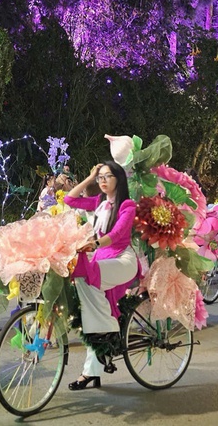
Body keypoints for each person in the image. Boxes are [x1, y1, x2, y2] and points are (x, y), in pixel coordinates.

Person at [63, 161, 138, 390]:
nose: (103, 181)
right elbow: (69, 200)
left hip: (122, 260)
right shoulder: (99, 202)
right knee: (89, 306)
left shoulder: (127, 205)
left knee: (89, 289)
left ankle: (108, 327)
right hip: (101, 258)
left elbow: (116, 234)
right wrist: (90, 176)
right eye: (100, 177)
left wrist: (94, 243)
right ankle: (91, 371)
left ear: (119, 179)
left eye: (107, 176)